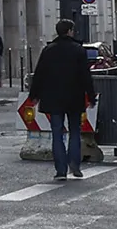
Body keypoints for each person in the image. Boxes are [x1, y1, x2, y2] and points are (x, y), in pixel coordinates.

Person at [28, 19, 95, 180]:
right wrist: (91, 96)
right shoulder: (78, 50)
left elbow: (39, 74)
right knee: (75, 131)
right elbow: (86, 76)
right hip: (74, 96)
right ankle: (75, 165)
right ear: (70, 31)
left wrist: (34, 95)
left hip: (53, 97)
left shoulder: (48, 50)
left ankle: (60, 171)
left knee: (57, 133)